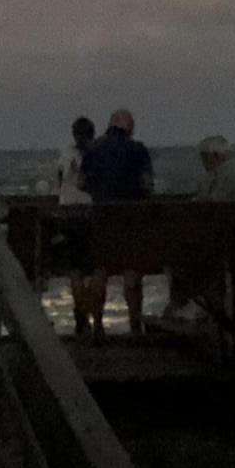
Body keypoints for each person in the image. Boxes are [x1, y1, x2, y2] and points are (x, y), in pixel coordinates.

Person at [79, 108, 153, 340]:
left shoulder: (93, 150)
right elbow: (148, 185)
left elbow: (81, 183)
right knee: (132, 274)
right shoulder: (138, 150)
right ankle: (134, 324)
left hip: (102, 220)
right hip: (131, 221)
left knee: (100, 272)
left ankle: (98, 324)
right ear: (128, 127)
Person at [53, 115, 96, 334]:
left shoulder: (65, 154)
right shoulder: (95, 155)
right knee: (93, 270)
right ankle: (90, 315)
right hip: (89, 215)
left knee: (76, 270)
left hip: (68, 216)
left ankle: (81, 316)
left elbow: (59, 181)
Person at [195, 135, 235, 202]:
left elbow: (214, 201)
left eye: (205, 157)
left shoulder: (224, 176)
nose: (203, 162)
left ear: (217, 156)